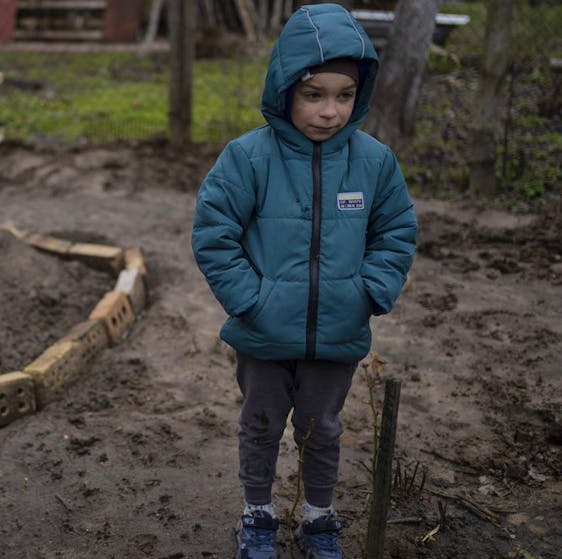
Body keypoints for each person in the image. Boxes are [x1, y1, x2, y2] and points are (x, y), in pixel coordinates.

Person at [191, 4, 417, 559]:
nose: (329, 111)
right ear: (284, 87)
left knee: (324, 429)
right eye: (313, 94)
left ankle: (319, 519)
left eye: (344, 95)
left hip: (337, 335)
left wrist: (367, 293)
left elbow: (396, 231)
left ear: (359, 95)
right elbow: (213, 233)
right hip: (264, 334)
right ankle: (258, 517)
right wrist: (252, 301)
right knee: (261, 425)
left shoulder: (375, 162)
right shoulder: (248, 158)